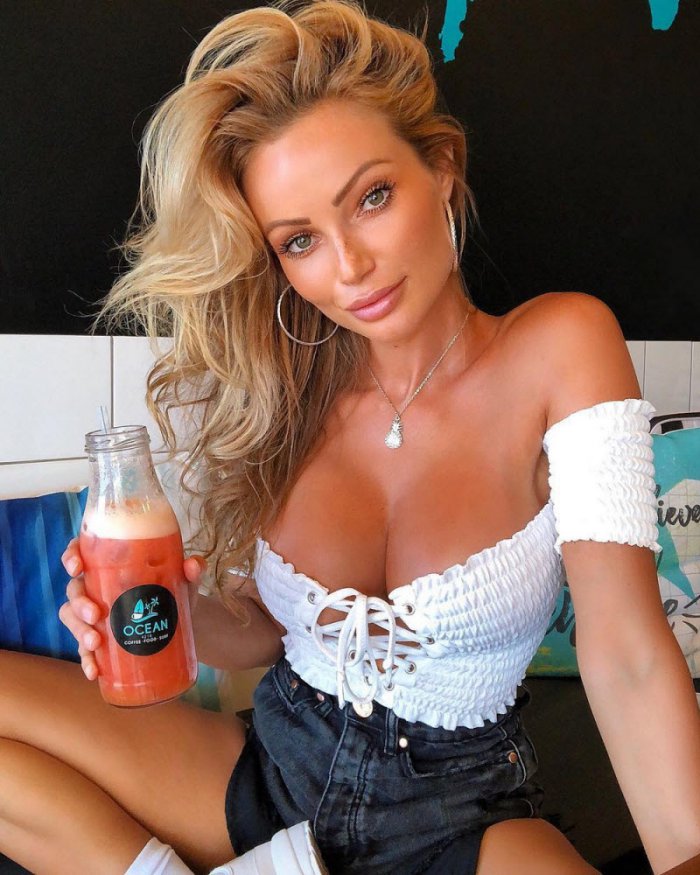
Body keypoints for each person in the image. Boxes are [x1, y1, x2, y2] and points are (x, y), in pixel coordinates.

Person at [2, 1, 700, 873]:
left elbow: (627, 651)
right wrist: (183, 610)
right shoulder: (284, 390)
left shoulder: (562, 346)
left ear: (441, 169)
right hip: (275, 770)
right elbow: (264, 631)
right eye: (300, 240)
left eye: (371, 197)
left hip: (459, 814)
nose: (350, 266)